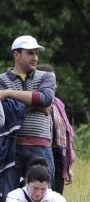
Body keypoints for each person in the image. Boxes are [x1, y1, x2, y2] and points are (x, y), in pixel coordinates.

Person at [1, 36, 57, 183]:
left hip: (40, 146)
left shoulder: (47, 76)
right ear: (16, 54)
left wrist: (8, 93)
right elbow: (6, 110)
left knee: (43, 197)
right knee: (8, 198)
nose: (35, 58)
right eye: (30, 53)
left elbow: (45, 99)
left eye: (37, 53)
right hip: (11, 147)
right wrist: (37, 104)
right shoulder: (1, 80)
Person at [35, 64, 75, 195]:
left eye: (55, 81)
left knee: (57, 198)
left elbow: (66, 134)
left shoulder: (58, 104)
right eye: (51, 81)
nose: (55, 85)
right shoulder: (34, 103)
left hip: (59, 156)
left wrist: (67, 166)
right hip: (41, 154)